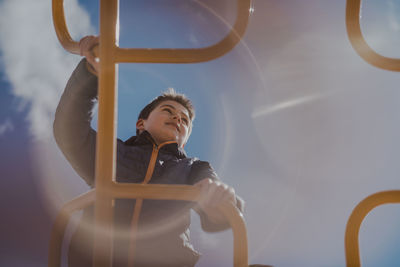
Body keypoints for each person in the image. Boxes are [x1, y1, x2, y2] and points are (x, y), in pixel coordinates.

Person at [53, 35, 244, 267]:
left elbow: (215, 198)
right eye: (168, 110)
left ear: (184, 140)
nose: (177, 118)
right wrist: (89, 74)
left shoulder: (193, 168)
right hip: (99, 258)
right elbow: (69, 130)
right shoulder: (111, 153)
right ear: (141, 123)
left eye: (185, 120)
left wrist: (219, 202)